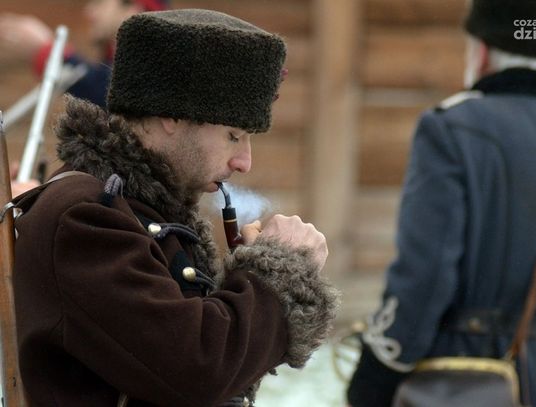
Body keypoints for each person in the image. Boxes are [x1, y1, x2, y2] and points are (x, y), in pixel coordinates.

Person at [11, 8, 338, 407]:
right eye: (233, 135)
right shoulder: (83, 219)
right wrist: (275, 275)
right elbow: (197, 371)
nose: (244, 162)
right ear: (171, 115)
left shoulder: (134, 208)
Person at [346, 0, 536, 406]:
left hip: (470, 379)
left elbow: (427, 273)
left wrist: (376, 376)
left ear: (481, 52)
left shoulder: (453, 128)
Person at [0, 0, 169, 108]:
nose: (89, 11)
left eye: (99, 2)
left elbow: (110, 92)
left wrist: (48, 53)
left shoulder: (156, 69)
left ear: (131, 8)